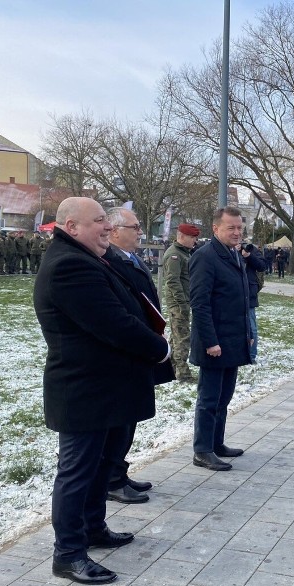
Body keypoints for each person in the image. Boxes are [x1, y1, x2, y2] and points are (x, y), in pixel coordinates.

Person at [33, 197, 170, 585]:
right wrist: (159, 348)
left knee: (98, 467)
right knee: (77, 473)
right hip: (83, 390)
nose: (107, 227)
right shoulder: (69, 265)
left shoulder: (87, 256)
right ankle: (69, 554)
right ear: (71, 226)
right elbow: (113, 323)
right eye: (99, 222)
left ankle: (93, 528)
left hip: (103, 386)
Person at [103, 207, 176, 504]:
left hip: (144, 345)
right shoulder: (109, 261)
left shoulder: (130, 258)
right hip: (128, 351)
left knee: (130, 418)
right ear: (115, 230)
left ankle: (120, 471)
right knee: (120, 420)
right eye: (134, 227)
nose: (140, 233)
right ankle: (112, 479)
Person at [189, 206, 250, 472]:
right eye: (231, 228)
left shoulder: (233, 254)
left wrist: (246, 334)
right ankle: (202, 450)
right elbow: (200, 304)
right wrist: (210, 341)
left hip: (233, 339)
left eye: (239, 228)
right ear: (216, 229)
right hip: (214, 342)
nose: (237, 233)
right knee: (209, 398)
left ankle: (216, 442)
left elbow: (241, 299)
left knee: (224, 397)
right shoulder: (206, 256)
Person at [160, 224, 201, 381]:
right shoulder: (174, 255)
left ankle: (171, 368)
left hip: (184, 301)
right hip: (179, 303)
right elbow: (172, 281)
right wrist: (181, 303)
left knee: (177, 336)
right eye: (192, 238)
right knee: (182, 338)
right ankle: (182, 374)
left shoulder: (183, 253)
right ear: (182, 236)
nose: (194, 241)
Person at [242, 242, 266, 362]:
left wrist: (248, 255)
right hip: (232, 294)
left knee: (251, 326)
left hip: (249, 293)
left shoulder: (251, 249)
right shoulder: (227, 248)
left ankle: (251, 355)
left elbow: (262, 266)